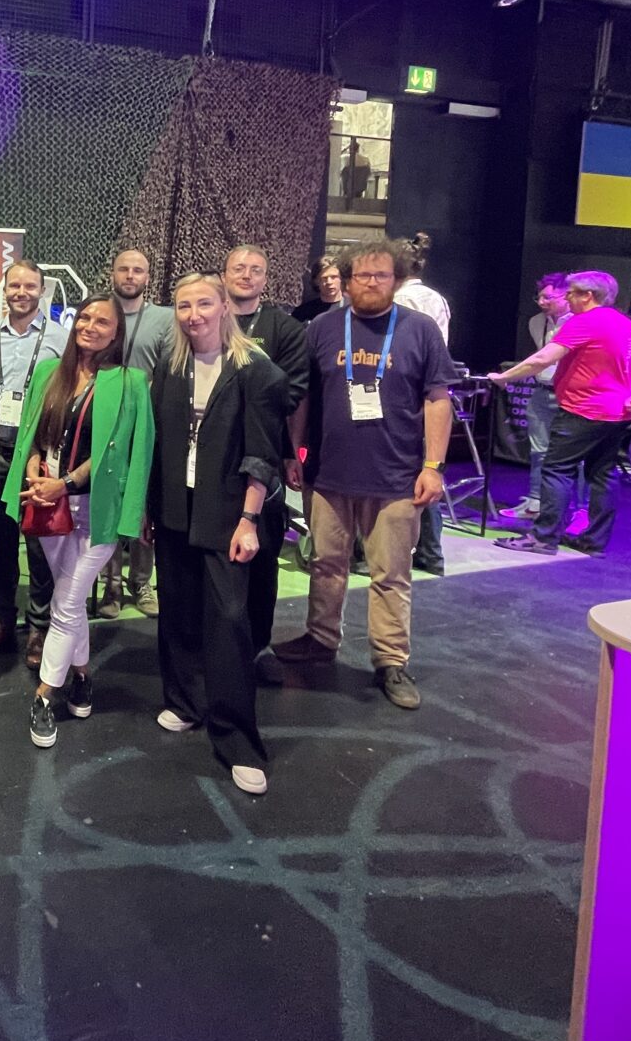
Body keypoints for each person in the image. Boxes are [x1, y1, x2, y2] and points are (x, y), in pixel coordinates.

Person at [270, 240, 457, 710]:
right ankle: (320, 639)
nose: (371, 283)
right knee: (326, 565)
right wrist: (294, 451)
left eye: (381, 275)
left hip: (396, 476)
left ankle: (390, 661)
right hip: (328, 473)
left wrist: (433, 466)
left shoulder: (419, 330)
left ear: (396, 280)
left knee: (391, 574)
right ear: (347, 281)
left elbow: (438, 399)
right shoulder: (322, 328)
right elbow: (304, 395)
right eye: (362, 275)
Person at [147, 273, 289, 794]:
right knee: (178, 608)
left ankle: (237, 740)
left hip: (229, 514)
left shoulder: (258, 371)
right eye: (184, 306)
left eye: (204, 303)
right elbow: (160, 443)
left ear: (225, 306)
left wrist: (249, 520)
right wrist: (150, 509)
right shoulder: (171, 367)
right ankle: (185, 702)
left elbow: (262, 455)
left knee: (229, 620)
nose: (194, 315)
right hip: (175, 509)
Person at [2, 295, 152, 749]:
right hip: (49, 507)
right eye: (84, 317)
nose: (90, 326)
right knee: (68, 596)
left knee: (66, 602)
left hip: (97, 508)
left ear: (117, 332)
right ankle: (83, 676)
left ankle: (45, 695)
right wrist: (33, 470)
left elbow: (128, 450)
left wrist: (64, 484)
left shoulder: (130, 382)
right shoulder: (50, 372)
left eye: (102, 321)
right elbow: (33, 433)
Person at [490, 271, 631, 557]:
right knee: (603, 473)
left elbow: (543, 358)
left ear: (588, 296)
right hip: (616, 413)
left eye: (572, 293)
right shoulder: (628, 326)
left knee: (556, 470)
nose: (568, 298)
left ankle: (544, 538)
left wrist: (504, 377)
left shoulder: (585, 321)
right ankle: (593, 542)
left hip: (584, 408)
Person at [0, 259, 64, 668]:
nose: (22, 293)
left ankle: (40, 626)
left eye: (30, 286)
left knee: (40, 546)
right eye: (15, 286)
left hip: (39, 454)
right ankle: (3, 620)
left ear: (42, 291)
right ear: (5, 289)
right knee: (2, 542)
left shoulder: (61, 340)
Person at [221, 244, 309, 654]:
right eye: (239, 268)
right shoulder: (207, 318)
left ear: (265, 279)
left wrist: (234, 407)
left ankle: (258, 648)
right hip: (207, 458)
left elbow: (291, 391)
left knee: (262, 556)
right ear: (224, 275)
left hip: (263, 457)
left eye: (255, 269)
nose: (246, 275)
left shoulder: (284, 329)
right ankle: (210, 647)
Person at [99, 247, 174, 618]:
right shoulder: (99, 312)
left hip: (147, 426)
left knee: (144, 506)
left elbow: (171, 371)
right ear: (112, 273)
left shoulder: (165, 318)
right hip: (105, 424)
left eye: (138, 270)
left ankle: (142, 582)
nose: (130, 276)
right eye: (123, 269)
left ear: (148, 276)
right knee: (108, 505)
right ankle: (110, 585)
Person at [499, 274, 584, 526]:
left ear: (566, 296)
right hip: (541, 392)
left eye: (548, 297)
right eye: (539, 297)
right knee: (539, 451)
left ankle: (581, 509)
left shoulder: (580, 322)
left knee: (577, 455)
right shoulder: (536, 322)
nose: (542, 302)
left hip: (571, 395)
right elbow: (541, 358)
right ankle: (536, 503)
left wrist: (506, 376)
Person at [393, 232, 452, 576]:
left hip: (408, 393)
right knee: (426, 471)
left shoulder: (401, 299)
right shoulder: (436, 298)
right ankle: (430, 553)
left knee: (414, 473)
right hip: (429, 388)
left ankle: (422, 550)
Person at [292, 255, 343, 326]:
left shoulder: (354, 309)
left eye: (333, 277)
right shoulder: (303, 312)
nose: (329, 282)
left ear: (342, 279)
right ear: (316, 281)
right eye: (324, 278)